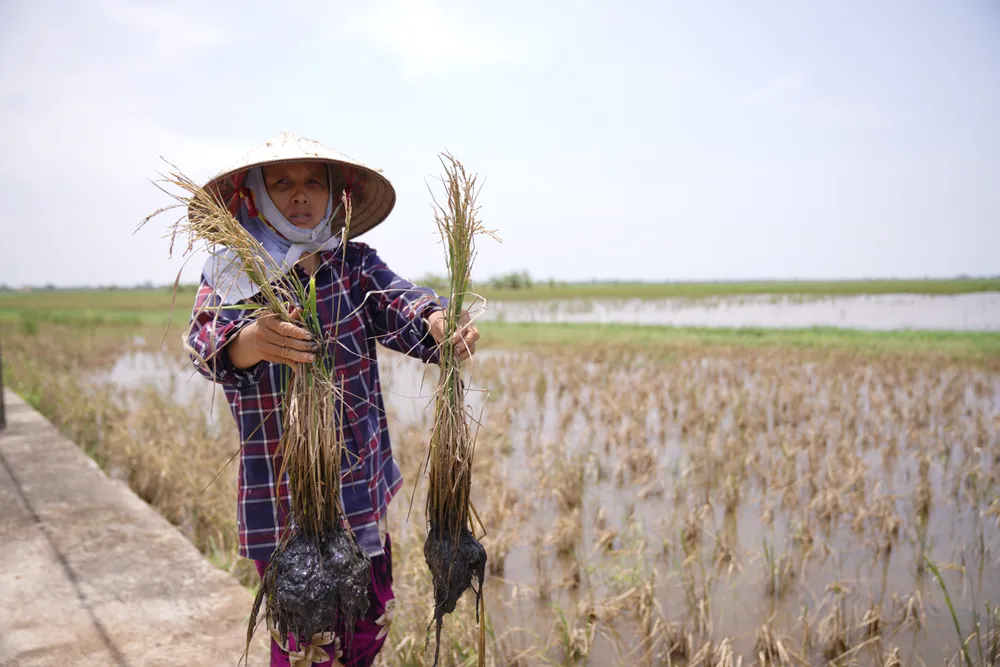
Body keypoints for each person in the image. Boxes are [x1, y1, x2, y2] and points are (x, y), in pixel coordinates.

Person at [186, 132, 479, 667]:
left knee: (371, 620)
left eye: (313, 183)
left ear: (334, 195)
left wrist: (438, 322)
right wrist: (252, 342)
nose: (300, 194)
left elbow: (401, 303)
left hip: (360, 487)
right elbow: (205, 345)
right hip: (283, 499)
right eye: (282, 183)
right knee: (306, 643)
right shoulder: (236, 274)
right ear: (254, 195)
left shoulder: (352, 265)